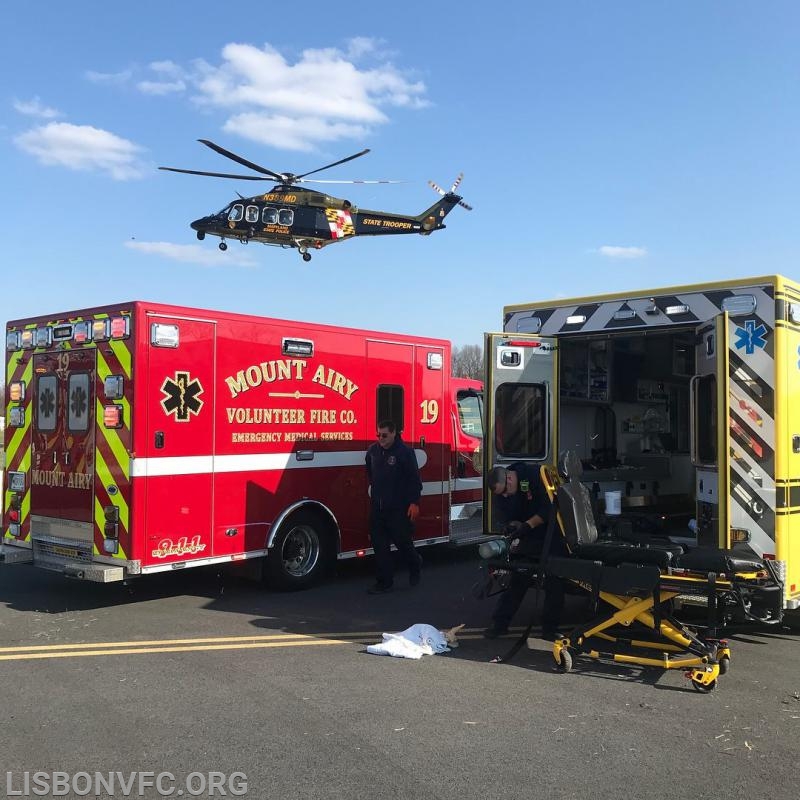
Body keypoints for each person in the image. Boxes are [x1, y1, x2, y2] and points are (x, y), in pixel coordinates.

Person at [483, 462, 566, 640]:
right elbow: (506, 515)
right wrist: (510, 526)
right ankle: (500, 624)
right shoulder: (503, 492)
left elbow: (548, 509)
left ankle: (550, 629)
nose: (504, 496)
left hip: (551, 534)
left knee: (555, 582)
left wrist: (527, 526)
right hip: (528, 537)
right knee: (519, 577)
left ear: (510, 478)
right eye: (501, 494)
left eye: (505, 491)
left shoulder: (535, 474)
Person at [365, 420, 423, 594]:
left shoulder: (405, 453)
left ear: (394, 433)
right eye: (378, 435)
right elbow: (370, 472)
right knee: (380, 546)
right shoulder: (373, 452)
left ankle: (415, 564)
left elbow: (414, 479)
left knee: (402, 543)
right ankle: (384, 581)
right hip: (378, 507)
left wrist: (414, 503)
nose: (381, 439)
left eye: (384, 435)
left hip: (398, 507)